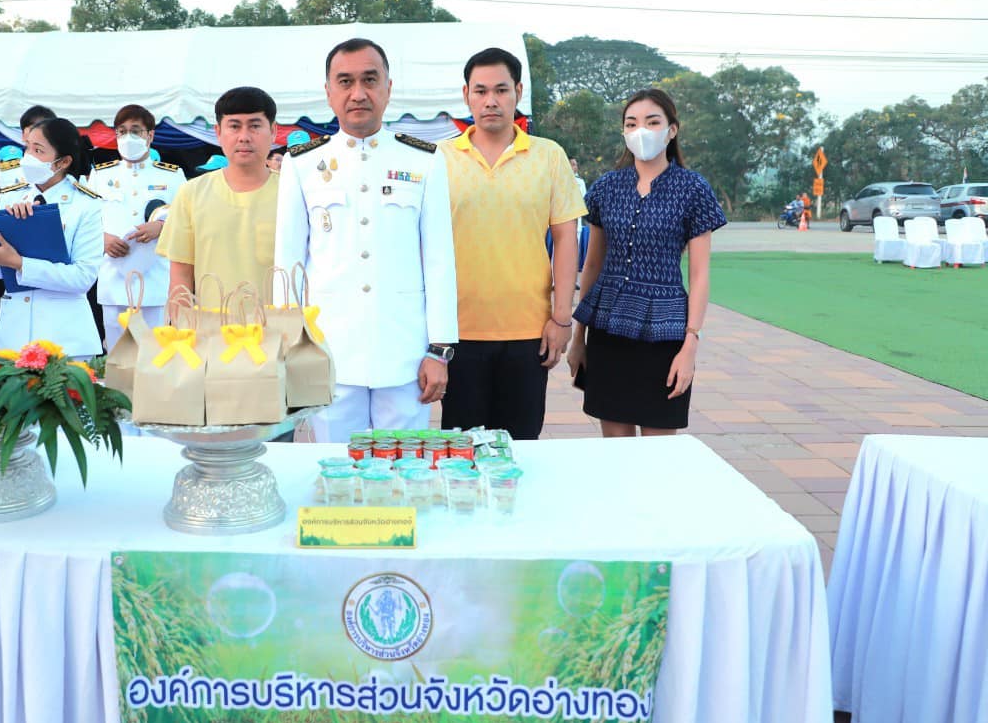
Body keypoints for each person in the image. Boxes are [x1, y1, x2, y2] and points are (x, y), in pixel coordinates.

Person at [273, 38, 458, 442]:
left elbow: (440, 260)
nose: (358, 93)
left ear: (389, 88)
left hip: (405, 353)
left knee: (405, 468)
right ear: (329, 92)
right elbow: (288, 264)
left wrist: (439, 350)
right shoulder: (301, 163)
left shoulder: (423, 160)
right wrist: (289, 348)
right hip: (328, 352)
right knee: (333, 470)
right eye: (345, 81)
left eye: (370, 80)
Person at [438, 47, 586, 440]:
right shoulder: (439, 159)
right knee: (462, 449)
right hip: (458, 331)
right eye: (481, 90)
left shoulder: (548, 156)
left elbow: (566, 239)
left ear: (518, 92)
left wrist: (560, 318)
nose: (491, 101)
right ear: (466, 94)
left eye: (501, 90)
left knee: (520, 445)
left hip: (528, 331)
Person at [567, 88, 727, 436]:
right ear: (624, 132)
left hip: (665, 334)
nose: (641, 130)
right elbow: (591, 266)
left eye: (652, 122)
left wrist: (690, 345)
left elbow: (699, 275)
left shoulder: (693, 189)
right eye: (632, 123)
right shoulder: (606, 188)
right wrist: (579, 338)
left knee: (658, 449)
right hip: (607, 331)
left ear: (672, 130)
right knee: (616, 445)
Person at [0, 117, 104, 358]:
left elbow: (83, 277)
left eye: (38, 150)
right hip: (14, 336)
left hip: (64, 337)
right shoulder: (10, 198)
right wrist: (0, 249)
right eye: (27, 147)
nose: (29, 157)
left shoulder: (85, 205)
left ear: (64, 161)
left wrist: (20, 263)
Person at [158, 87, 280, 307]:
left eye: (254, 126)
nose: (244, 137)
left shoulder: (292, 193)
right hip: (211, 333)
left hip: (278, 333)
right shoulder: (191, 193)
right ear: (218, 132)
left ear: (273, 131)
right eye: (234, 126)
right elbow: (181, 278)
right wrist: (181, 335)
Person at [91, 104, 184, 343]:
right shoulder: (100, 176)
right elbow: (87, 222)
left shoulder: (172, 176)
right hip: (113, 281)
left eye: (136, 130)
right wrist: (103, 240)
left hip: (155, 281)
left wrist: (162, 228)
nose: (127, 137)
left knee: (155, 356)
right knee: (116, 357)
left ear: (150, 135)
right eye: (121, 131)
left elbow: (187, 223)